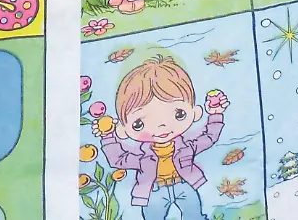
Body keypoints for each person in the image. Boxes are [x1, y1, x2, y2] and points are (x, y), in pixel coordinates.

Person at [93, 56, 227, 219]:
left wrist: (215, 115)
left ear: (195, 112)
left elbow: (209, 138)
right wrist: (107, 136)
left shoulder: (186, 148)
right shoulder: (143, 159)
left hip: (184, 185)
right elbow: (117, 160)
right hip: (154, 191)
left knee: (194, 216)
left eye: (179, 114)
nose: (162, 126)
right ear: (123, 130)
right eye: (139, 124)